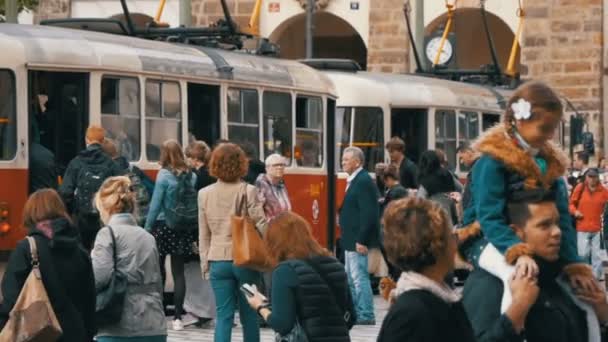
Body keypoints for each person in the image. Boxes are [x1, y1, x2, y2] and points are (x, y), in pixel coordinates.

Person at [458, 81, 593, 300]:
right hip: (483, 238)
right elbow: (489, 217)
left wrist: (572, 263)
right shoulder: (491, 163)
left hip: (529, 237)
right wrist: (516, 250)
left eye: (553, 128)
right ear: (519, 121)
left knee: (582, 293)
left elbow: (564, 221)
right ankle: (513, 330)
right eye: (545, 128)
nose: (550, 136)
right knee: (516, 276)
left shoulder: (550, 165)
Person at [463, 191, 608, 341]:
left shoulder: (561, 278)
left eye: (557, 223)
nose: (557, 232)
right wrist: (516, 312)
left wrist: (603, 318)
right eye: (544, 225)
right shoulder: (489, 284)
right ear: (516, 233)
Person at [0, 189, 96, 341]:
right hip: (75, 334)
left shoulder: (26, 249)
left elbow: (11, 300)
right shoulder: (79, 251)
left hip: (38, 335)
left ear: (31, 214)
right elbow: (89, 303)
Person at [245, 212, 354, 341]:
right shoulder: (335, 264)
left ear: (274, 242)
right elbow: (351, 317)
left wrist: (260, 306)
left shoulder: (285, 271)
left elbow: (283, 324)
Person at [377, 197, 475, 342]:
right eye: (451, 236)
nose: (456, 243)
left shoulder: (437, 299)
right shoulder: (411, 314)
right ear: (436, 246)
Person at [198, 143, 267, 342]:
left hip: (218, 262)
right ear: (241, 164)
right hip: (244, 263)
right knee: (249, 314)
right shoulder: (249, 191)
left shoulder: (204, 194)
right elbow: (261, 223)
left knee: (224, 316)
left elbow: (204, 234)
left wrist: (205, 264)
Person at [91, 176, 167, 342]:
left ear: (105, 207)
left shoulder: (107, 234)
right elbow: (158, 283)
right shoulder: (148, 237)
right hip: (154, 324)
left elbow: (99, 277)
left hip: (119, 326)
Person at [144, 140, 197, 331]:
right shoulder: (191, 176)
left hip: (163, 225)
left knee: (158, 270)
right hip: (182, 227)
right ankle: (177, 318)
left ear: (164, 155)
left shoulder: (164, 175)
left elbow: (156, 204)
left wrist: (147, 228)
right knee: (178, 272)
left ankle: (158, 313)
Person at [59, 125, 123, 250]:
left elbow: (65, 193)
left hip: (82, 218)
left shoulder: (76, 163)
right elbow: (121, 190)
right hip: (104, 219)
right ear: (103, 141)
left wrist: (73, 212)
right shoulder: (111, 164)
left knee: (82, 251)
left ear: (86, 140)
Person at [339, 146, 379, 325]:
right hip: (350, 238)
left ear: (357, 162)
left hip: (357, 239)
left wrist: (362, 239)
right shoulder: (355, 180)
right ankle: (356, 311)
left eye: (346, 159)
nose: (343, 162)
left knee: (359, 277)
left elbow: (369, 213)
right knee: (351, 277)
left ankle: (366, 313)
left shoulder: (362, 181)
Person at [183, 140, 216, 327]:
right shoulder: (213, 175)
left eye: (188, 156)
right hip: (211, 229)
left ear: (195, 158)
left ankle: (196, 310)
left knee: (193, 270)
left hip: (198, 228)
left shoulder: (196, 177)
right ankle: (207, 310)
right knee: (206, 272)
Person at [101, 138, 152, 227]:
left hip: (123, 220)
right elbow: (152, 188)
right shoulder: (133, 169)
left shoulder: (108, 172)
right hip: (143, 215)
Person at [570, 168, 608, 279]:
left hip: (598, 228)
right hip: (582, 227)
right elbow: (571, 204)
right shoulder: (580, 188)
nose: (591, 179)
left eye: (594, 177)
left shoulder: (604, 191)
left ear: (597, 177)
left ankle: (596, 278)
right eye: (589, 176)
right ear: (586, 177)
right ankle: (585, 276)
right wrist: (575, 212)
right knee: (583, 254)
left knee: (597, 256)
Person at [416, 150, 459, 226]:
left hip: (433, 220)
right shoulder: (447, 174)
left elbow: (420, 201)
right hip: (449, 217)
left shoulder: (425, 180)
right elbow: (461, 189)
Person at [255, 154, 292, 220]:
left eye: (282, 165)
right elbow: (257, 212)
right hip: (269, 228)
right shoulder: (260, 184)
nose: (280, 167)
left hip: (284, 226)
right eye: (275, 165)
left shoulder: (280, 184)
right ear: (267, 168)